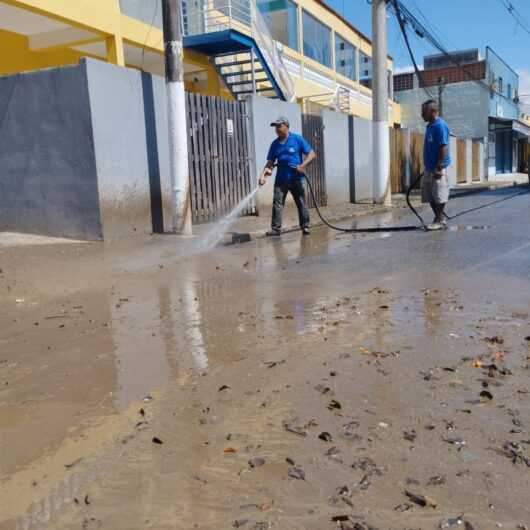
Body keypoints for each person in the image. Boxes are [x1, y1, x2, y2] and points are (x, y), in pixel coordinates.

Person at [258, 116, 316, 236]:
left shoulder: (297, 139)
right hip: (281, 179)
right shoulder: (274, 144)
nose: (277, 129)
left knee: (301, 202)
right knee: (277, 204)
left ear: (286, 126)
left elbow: (312, 154)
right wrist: (263, 175)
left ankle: (305, 226)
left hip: (296, 178)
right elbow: (270, 163)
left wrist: (303, 165)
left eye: (279, 126)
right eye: (275, 127)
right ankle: (276, 229)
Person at [421, 100, 451, 230]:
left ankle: (438, 220)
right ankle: (439, 218)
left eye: (424, 111)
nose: (421, 114)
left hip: (439, 167)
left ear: (432, 111)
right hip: (429, 168)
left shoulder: (440, 125)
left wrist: (439, 167)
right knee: (429, 194)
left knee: (439, 194)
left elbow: (443, 147)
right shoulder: (430, 126)